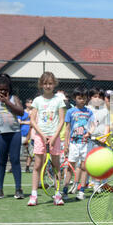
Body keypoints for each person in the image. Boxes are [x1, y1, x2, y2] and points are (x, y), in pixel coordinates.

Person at [27, 72, 66, 206]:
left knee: (56, 166)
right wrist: (42, 135)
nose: (48, 86)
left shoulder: (58, 100)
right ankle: (33, 195)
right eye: (45, 83)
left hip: (54, 138)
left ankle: (57, 194)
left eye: (50, 83)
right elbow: (32, 119)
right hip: (40, 137)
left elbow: (61, 121)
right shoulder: (37, 100)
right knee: (37, 165)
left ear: (54, 84)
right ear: (41, 85)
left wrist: (54, 136)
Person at [62, 87, 94, 201]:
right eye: (79, 98)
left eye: (84, 98)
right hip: (73, 144)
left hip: (85, 144)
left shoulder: (89, 112)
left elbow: (93, 125)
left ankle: (81, 191)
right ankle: (65, 190)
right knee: (70, 168)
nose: (82, 100)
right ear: (75, 98)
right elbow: (67, 129)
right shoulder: (70, 111)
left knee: (84, 167)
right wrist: (66, 144)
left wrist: (89, 132)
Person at [87, 88, 110, 191]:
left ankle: (99, 184)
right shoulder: (87, 109)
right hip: (88, 140)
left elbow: (107, 125)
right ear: (90, 98)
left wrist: (105, 137)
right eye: (95, 97)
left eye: (99, 97)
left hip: (100, 141)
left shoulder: (105, 110)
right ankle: (86, 183)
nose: (97, 99)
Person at [18, 98, 33, 173]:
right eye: (30, 102)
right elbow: (19, 122)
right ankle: (16, 166)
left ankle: (27, 167)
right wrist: (28, 122)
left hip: (31, 136)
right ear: (26, 104)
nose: (31, 103)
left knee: (30, 153)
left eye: (32, 102)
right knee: (19, 152)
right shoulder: (22, 112)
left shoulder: (34, 112)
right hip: (22, 135)